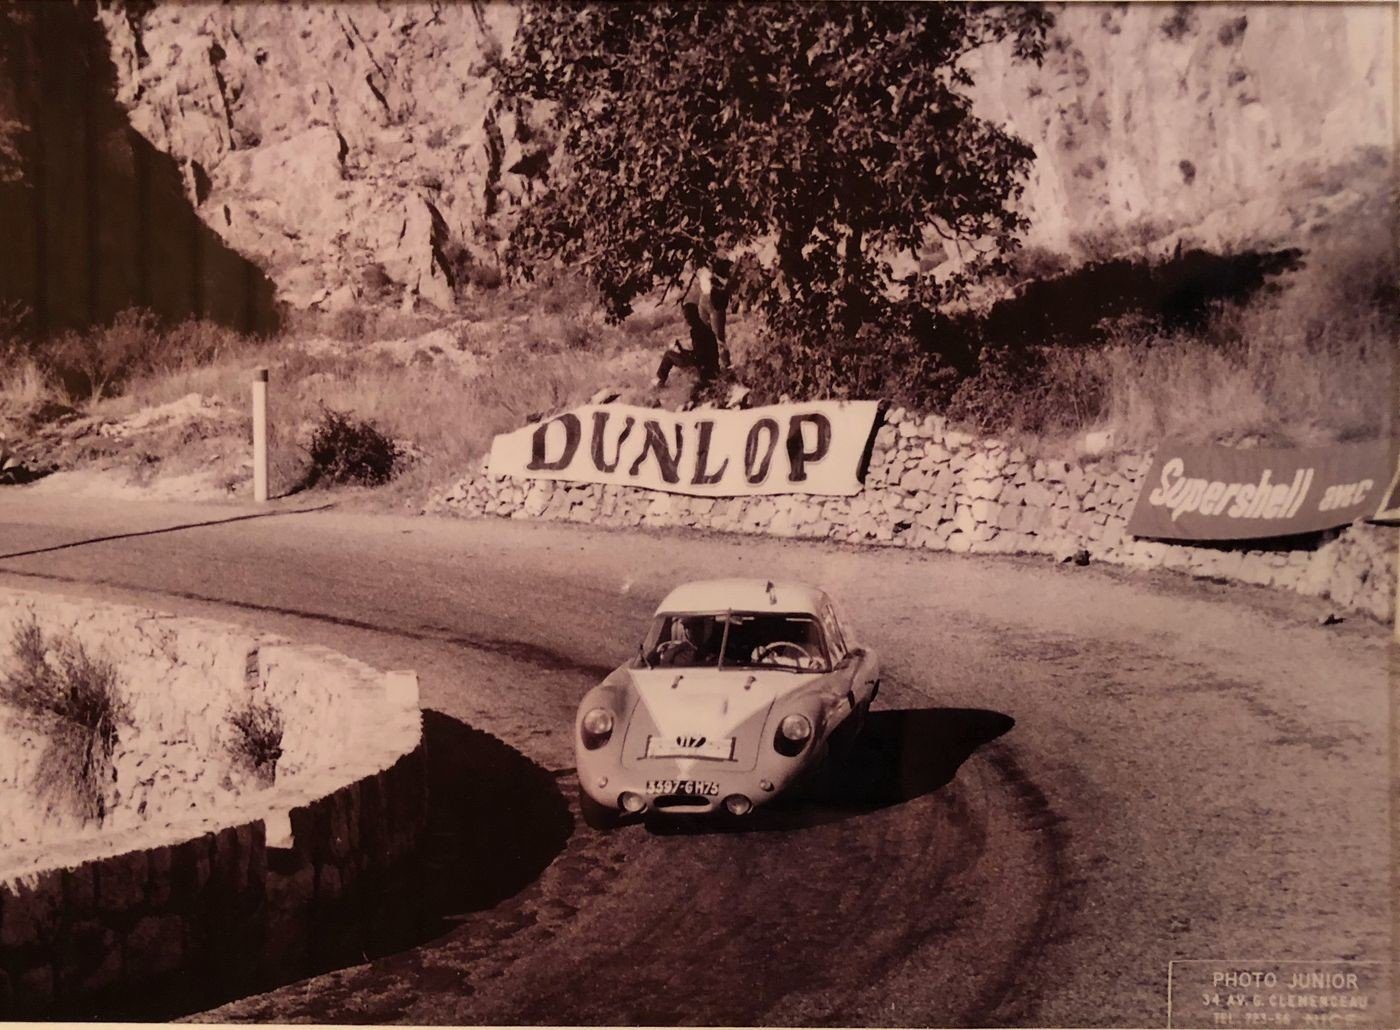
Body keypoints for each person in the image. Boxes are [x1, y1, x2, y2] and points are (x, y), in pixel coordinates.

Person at [655, 257, 733, 386]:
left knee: (716, 336)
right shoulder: (702, 259)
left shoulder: (720, 263)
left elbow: (727, 283)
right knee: (701, 331)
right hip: (704, 297)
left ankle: (724, 366)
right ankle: (713, 367)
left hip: (715, 299)